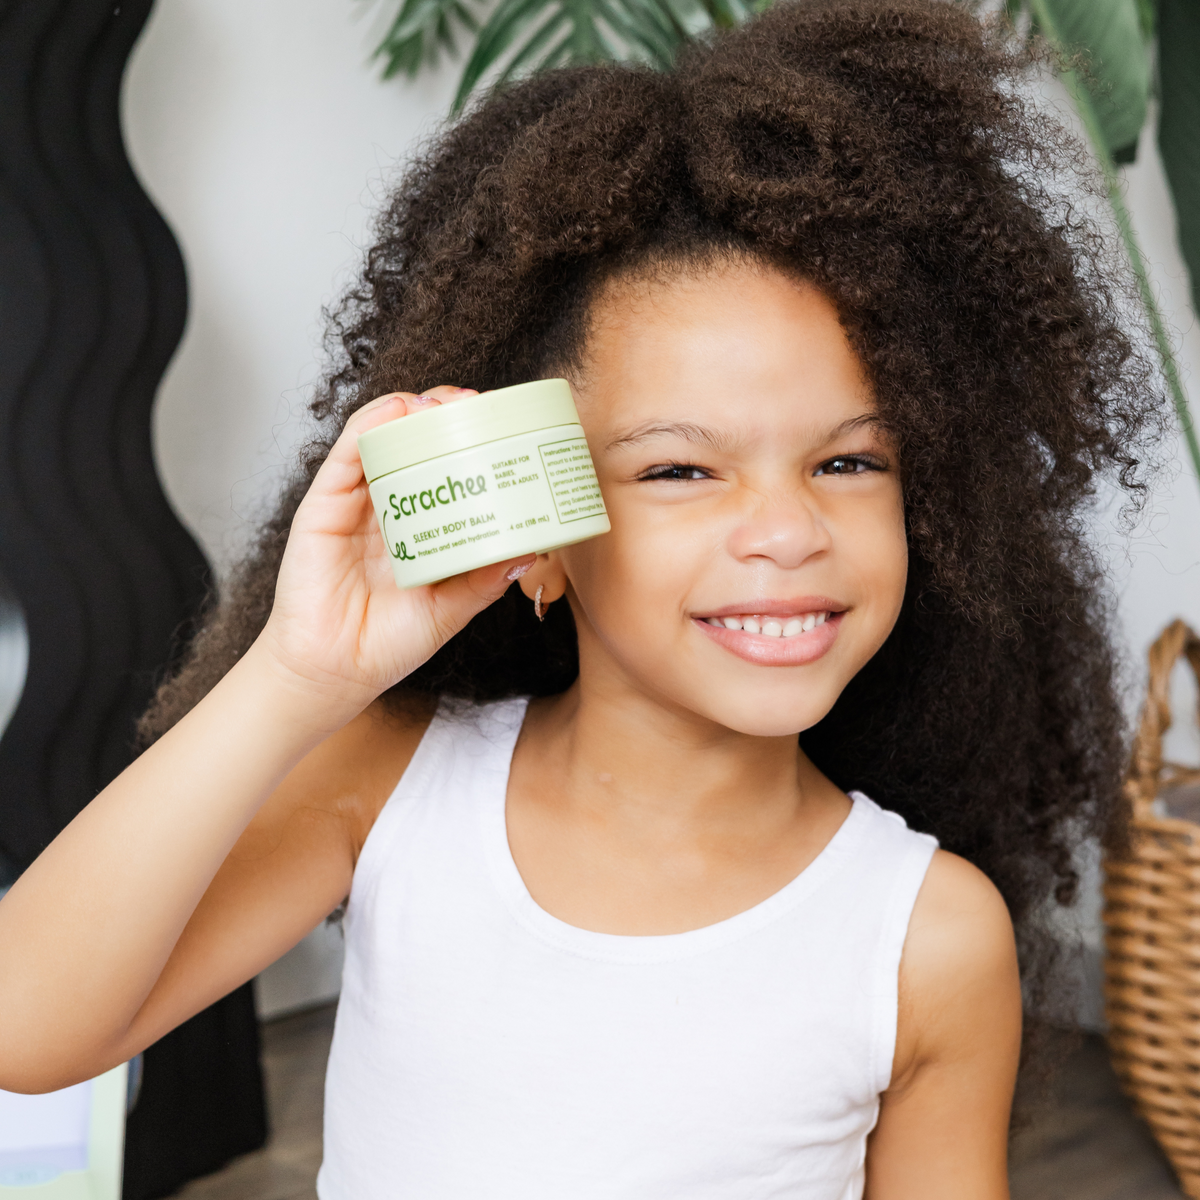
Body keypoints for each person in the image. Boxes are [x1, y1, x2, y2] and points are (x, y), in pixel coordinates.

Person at [0, 2, 1164, 1196]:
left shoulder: (928, 937)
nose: (787, 531)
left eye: (849, 461)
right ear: (542, 533)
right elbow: (25, 1032)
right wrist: (296, 677)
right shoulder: (392, 785)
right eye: (679, 470)